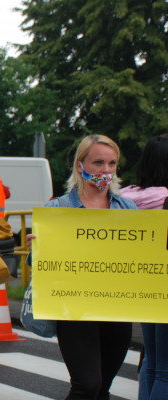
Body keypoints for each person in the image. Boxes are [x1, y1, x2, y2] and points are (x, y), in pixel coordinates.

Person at [27, 135, 135, 399]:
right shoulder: (58, 208)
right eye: (98, 162)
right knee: (86, 384)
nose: (106, 171)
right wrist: (37, 249)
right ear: (80, 166)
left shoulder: (128, 209)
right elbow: (40, 268)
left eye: (112, 164)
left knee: (102, 388)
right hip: (74, 309)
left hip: (116, 308)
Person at [120, 134, 168, 400]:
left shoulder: (125, 198)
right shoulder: (165, 199)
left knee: (150, 358)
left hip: (142, 286)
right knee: (166, 370)